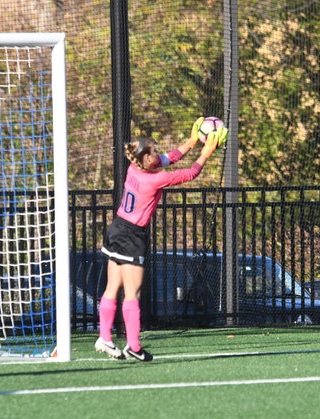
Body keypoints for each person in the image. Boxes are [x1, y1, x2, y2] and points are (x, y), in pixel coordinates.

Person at [95, 117, 228, 361]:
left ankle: (105, 337)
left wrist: (192, 142)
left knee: (112, 288)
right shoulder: (154, 179)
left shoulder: (135, 168)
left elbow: (169, 158)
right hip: (132, 236)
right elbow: (190, 173)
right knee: (132, 293)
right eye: (154, 152)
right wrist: (206, 152)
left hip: (117, 228)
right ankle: (133, 346)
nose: (158, 155)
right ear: (146, 159)